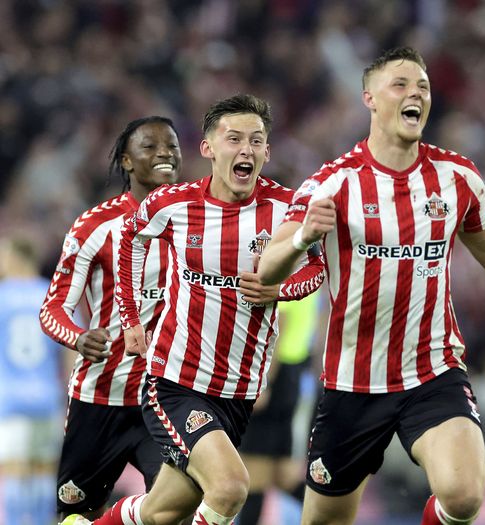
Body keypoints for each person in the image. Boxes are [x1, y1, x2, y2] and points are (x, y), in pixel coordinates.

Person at [247, 46, 485, 525]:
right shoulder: (334, 183)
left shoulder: (456, 177)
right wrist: (304, 236)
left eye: (423, 86)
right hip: (353, 382)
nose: (416, 94)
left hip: (432, 371)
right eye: (401, 85)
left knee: (464, 496)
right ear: (369, 98)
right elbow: (266, 269)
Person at [62, 94, 324, 525]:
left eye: (256, 141)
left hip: (240, 392)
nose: (246, 149)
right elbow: (129, 243)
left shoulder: (285, 210)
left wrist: (280, 290)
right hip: (177, 382)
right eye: (234, 138)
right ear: (208, 148)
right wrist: (131, 319)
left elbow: (316, 269)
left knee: (163, 510)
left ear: (267, 151)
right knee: (230, 487)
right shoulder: (174, 204)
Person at [39, 116, 182, 521]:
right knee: (75, 515)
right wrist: (78, 338)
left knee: (176, 507)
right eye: (150, 147)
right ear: (126, 161)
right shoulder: (96, 226)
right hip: (100, 397)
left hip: (164, 399)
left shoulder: (197, 221)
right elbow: (52, 308)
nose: (165, 154)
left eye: (172, 146)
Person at [236, 292, 321, 525]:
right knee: (279, 474)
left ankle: (333, 513)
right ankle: (333, 512)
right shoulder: (309, 279)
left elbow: (276, 328)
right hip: (292, 374)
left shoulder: (286, 277)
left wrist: (265, 383)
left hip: (278, 377)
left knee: (259, 471)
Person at [0, 236, 64, 525]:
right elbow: (70, 349)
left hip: (10, 399)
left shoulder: (2, 297)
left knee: (13, 471)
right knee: (43, 472)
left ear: (15, 258)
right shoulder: (52, 296)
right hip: (46, 396)